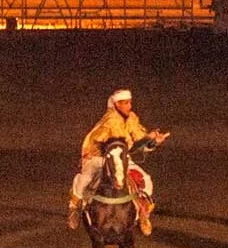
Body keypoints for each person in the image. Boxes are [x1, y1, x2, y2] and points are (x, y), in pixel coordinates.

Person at [67, 88, 170, 236]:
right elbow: (96, 140)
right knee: (85, 179)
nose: (130, 106)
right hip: (100, 157)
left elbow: (139, 139)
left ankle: (143, 213)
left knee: (145, 179)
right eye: (126, 103)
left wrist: (153, 141)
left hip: (121, 157)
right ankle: (74, 207)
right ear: (116, 105)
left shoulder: (132, 118)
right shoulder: (110, 120)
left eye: (130, 102)